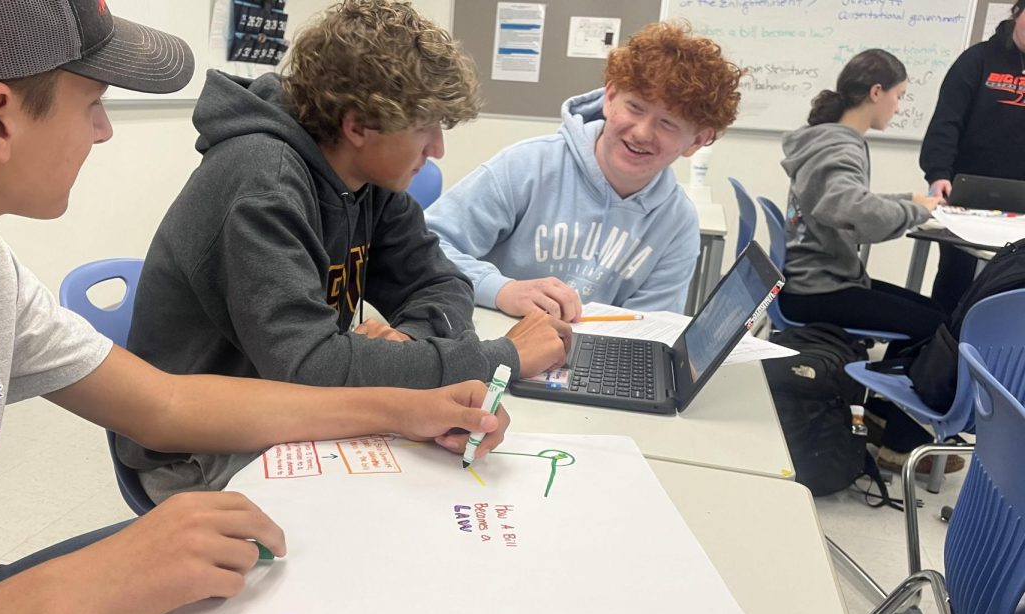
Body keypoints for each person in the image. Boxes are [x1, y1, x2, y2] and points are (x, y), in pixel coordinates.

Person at [0, 0, 511, 614]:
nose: (104, 130)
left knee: (287, 567)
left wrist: (407, 404)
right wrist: (67, 590)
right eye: (92, 100)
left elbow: (166, 404)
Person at [121, 0, 568, 501]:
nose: (437, 149)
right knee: (416, 514)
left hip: (297, 409)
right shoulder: (262, 181)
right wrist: (496, 359)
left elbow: (440, 282)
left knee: (447, 482)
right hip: (198, 450)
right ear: (358, 127)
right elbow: (311, 368)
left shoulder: (369, 180)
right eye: (425, 127)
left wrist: (411, 347)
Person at [423, 22, 743, 321]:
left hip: (587, 365)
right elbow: (426, 244)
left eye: (668, 123)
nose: (643, 132)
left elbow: (647, 329)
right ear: (611, 96)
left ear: (697, 141)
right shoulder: (528, 166)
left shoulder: (677, 223)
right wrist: (501, 289)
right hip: (497, 344)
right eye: (635, 107)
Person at [778, 49, 958, 472]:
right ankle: (899, 437)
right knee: (936, 327)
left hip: (817, 278)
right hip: (819, 289)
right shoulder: (840, 144)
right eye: (898, 96)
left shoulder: (828, 138)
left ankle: (881, 414)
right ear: (876, 92)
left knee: (933, 313)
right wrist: (921, 211)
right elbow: (852, 209)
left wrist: (907, 201)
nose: (898, 106)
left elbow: (848, 201)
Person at [920, 0, 1025, 314]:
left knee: (1010, 287)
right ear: (1017, 13)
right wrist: (938, 174)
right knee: (955, 279)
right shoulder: (977, 60)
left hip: (1021, 199)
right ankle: (936, 354)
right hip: (966, 194)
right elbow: (946, 123)